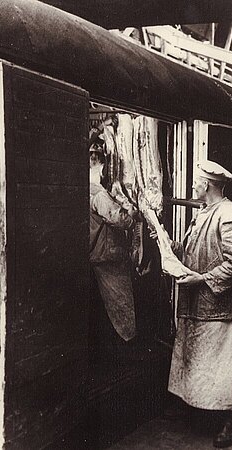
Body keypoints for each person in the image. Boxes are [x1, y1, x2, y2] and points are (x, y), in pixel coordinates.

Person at [165, 160, 232, 448]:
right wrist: (168, 244)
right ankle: (198, 410)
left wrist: (201, 280)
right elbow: (194, 252)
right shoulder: (204, 213)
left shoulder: (229, 215)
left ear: (209, 185)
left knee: (221, 366)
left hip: (217, 308)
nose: (192, 185)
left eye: (196, 181)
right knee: (196, 359)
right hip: (197, 304)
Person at [89, 140, 139, 359]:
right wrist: (132, 216)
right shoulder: (98, 193)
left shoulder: (85, 188)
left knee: (108, 304)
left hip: (97, 253)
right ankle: (127, 349)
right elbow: (117, 218)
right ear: (97, 165)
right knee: (121, 302)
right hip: (108, 253)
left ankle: (116, 349)